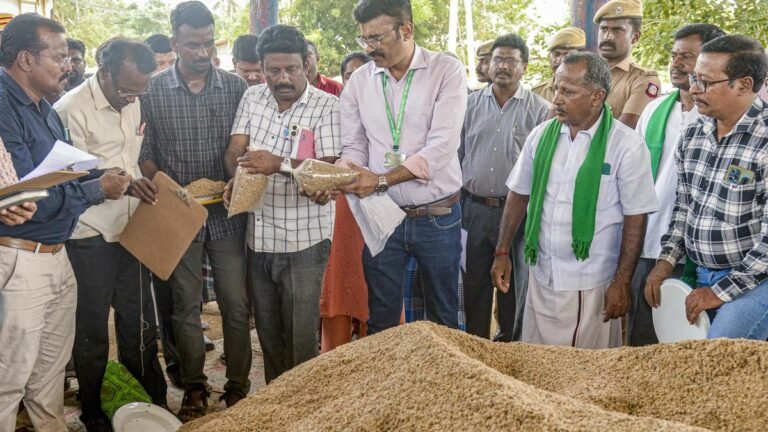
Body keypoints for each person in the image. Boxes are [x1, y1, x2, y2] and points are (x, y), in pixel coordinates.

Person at [0, 14, 130, 431]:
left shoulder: (45, 108)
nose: (68, 65)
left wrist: (99, 176)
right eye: (58, 57)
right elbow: (27, 196)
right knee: (9, 378)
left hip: (57, 254)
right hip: (20, 259)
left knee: (49, 375)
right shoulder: (4, 108)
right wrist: (97, 190)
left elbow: (67, 168)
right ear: (25, 59)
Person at [491, 52, 658, 349]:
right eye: (556, 88)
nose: (556, 98)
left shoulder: (626, 146)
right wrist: (502, 252)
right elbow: (519, 193)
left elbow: (636, 218)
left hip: (591, 282)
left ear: (597, 97)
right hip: (541, 273)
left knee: (585, 374)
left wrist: (621, 283)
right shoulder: (541, 136)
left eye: (568, 91)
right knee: (537, 362)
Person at [138, 1, 251, 420]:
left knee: (235, 304)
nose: (202, 53)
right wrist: (170, 193)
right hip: (179, 215)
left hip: (227, 215)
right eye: (192, 45)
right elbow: (145, 154)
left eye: (207, 44)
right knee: (184, 305)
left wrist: (237, 179)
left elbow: (246, 149)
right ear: (174, 43)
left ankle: (238, 386)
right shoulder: (152, 91)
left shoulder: (235, 88)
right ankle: (195, 386)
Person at [54, 38, 168, 431]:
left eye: (139, 91)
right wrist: (116, 183)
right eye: (124, 91)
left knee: (138, 323)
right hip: (89, 236)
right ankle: (93, 410)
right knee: (91, 329)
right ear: (102, 72)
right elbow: (68, 179)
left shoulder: (134, 97)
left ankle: (150, 400)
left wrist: (140, 183)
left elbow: (131, 157)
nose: (130, 100)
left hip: (131, 228)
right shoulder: (70, 111)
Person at [339, 0, 467, 334]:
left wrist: (380, 179)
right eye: (364, 40)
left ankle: (448, 386)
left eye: (377, 39)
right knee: (382, 319)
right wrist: (342, 175)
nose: (369, 49)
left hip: (437, 216)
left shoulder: (446, 70)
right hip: (382, 216)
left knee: (443, 317)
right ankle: (391, 386)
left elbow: (441, 147)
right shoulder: (360, 81)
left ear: (406, 30)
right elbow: (353, 146)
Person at [223, 24, 338, 382]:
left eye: (290, 69)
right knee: (269, 333)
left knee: (302, 337)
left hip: (305, 239)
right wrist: (237, 178)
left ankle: (302, 406)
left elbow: (329, 168)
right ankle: (276, 400)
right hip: (259, 236)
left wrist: (279, 164)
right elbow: (234, 151)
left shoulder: (327, 106)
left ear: (306, 64)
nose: (282, 78)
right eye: (274, 70)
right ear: (262, 67)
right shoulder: (252, 97)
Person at [645, 35, 768, 340]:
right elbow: (684, 206)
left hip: (757, 282)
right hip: (701, 275)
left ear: (743, 84)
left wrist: (719, 291)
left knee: (716, 357)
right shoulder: (693, 135)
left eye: (705, 82)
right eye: (693, 79)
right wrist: (666, 260)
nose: (694, 89)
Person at [629, 23, 725, 347]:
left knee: (687, 345)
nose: (677, 63)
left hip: (699, 256)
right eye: (674, 56)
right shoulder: (655, 110)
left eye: (687, 56)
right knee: (642, 341)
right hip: (650, 243)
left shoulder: (720, 117)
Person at [460, 34, 548, 341]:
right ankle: (474, 347)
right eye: (498, 59)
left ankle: (510, 346)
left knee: (513, 286)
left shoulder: (540, 111)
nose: (503, 67)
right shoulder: (468, 106)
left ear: (524, 67)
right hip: (473, 210)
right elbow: (458, 155)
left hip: (517, 214)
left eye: (511, 61)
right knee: (473, 286)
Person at [319, 50, 374, 353]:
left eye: (365, 74)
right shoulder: (330, 112)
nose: (358, 81)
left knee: (377, 289)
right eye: (351, 75)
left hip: (376, 209)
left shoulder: (386, 114)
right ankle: (333, 362)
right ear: (343, 79)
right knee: (337, 287)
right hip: (337, 214)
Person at [594, 0, 661, 128]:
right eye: (603, 29)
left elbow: (623, 134)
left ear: (635, 37)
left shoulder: (644, 80)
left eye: (617, 30)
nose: (608, 37)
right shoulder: (584, 72)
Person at [532, 27, 585, 103]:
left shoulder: (589, 92)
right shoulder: (538, 92)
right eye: (556, 54)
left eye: (567, 55)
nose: (560, 60)